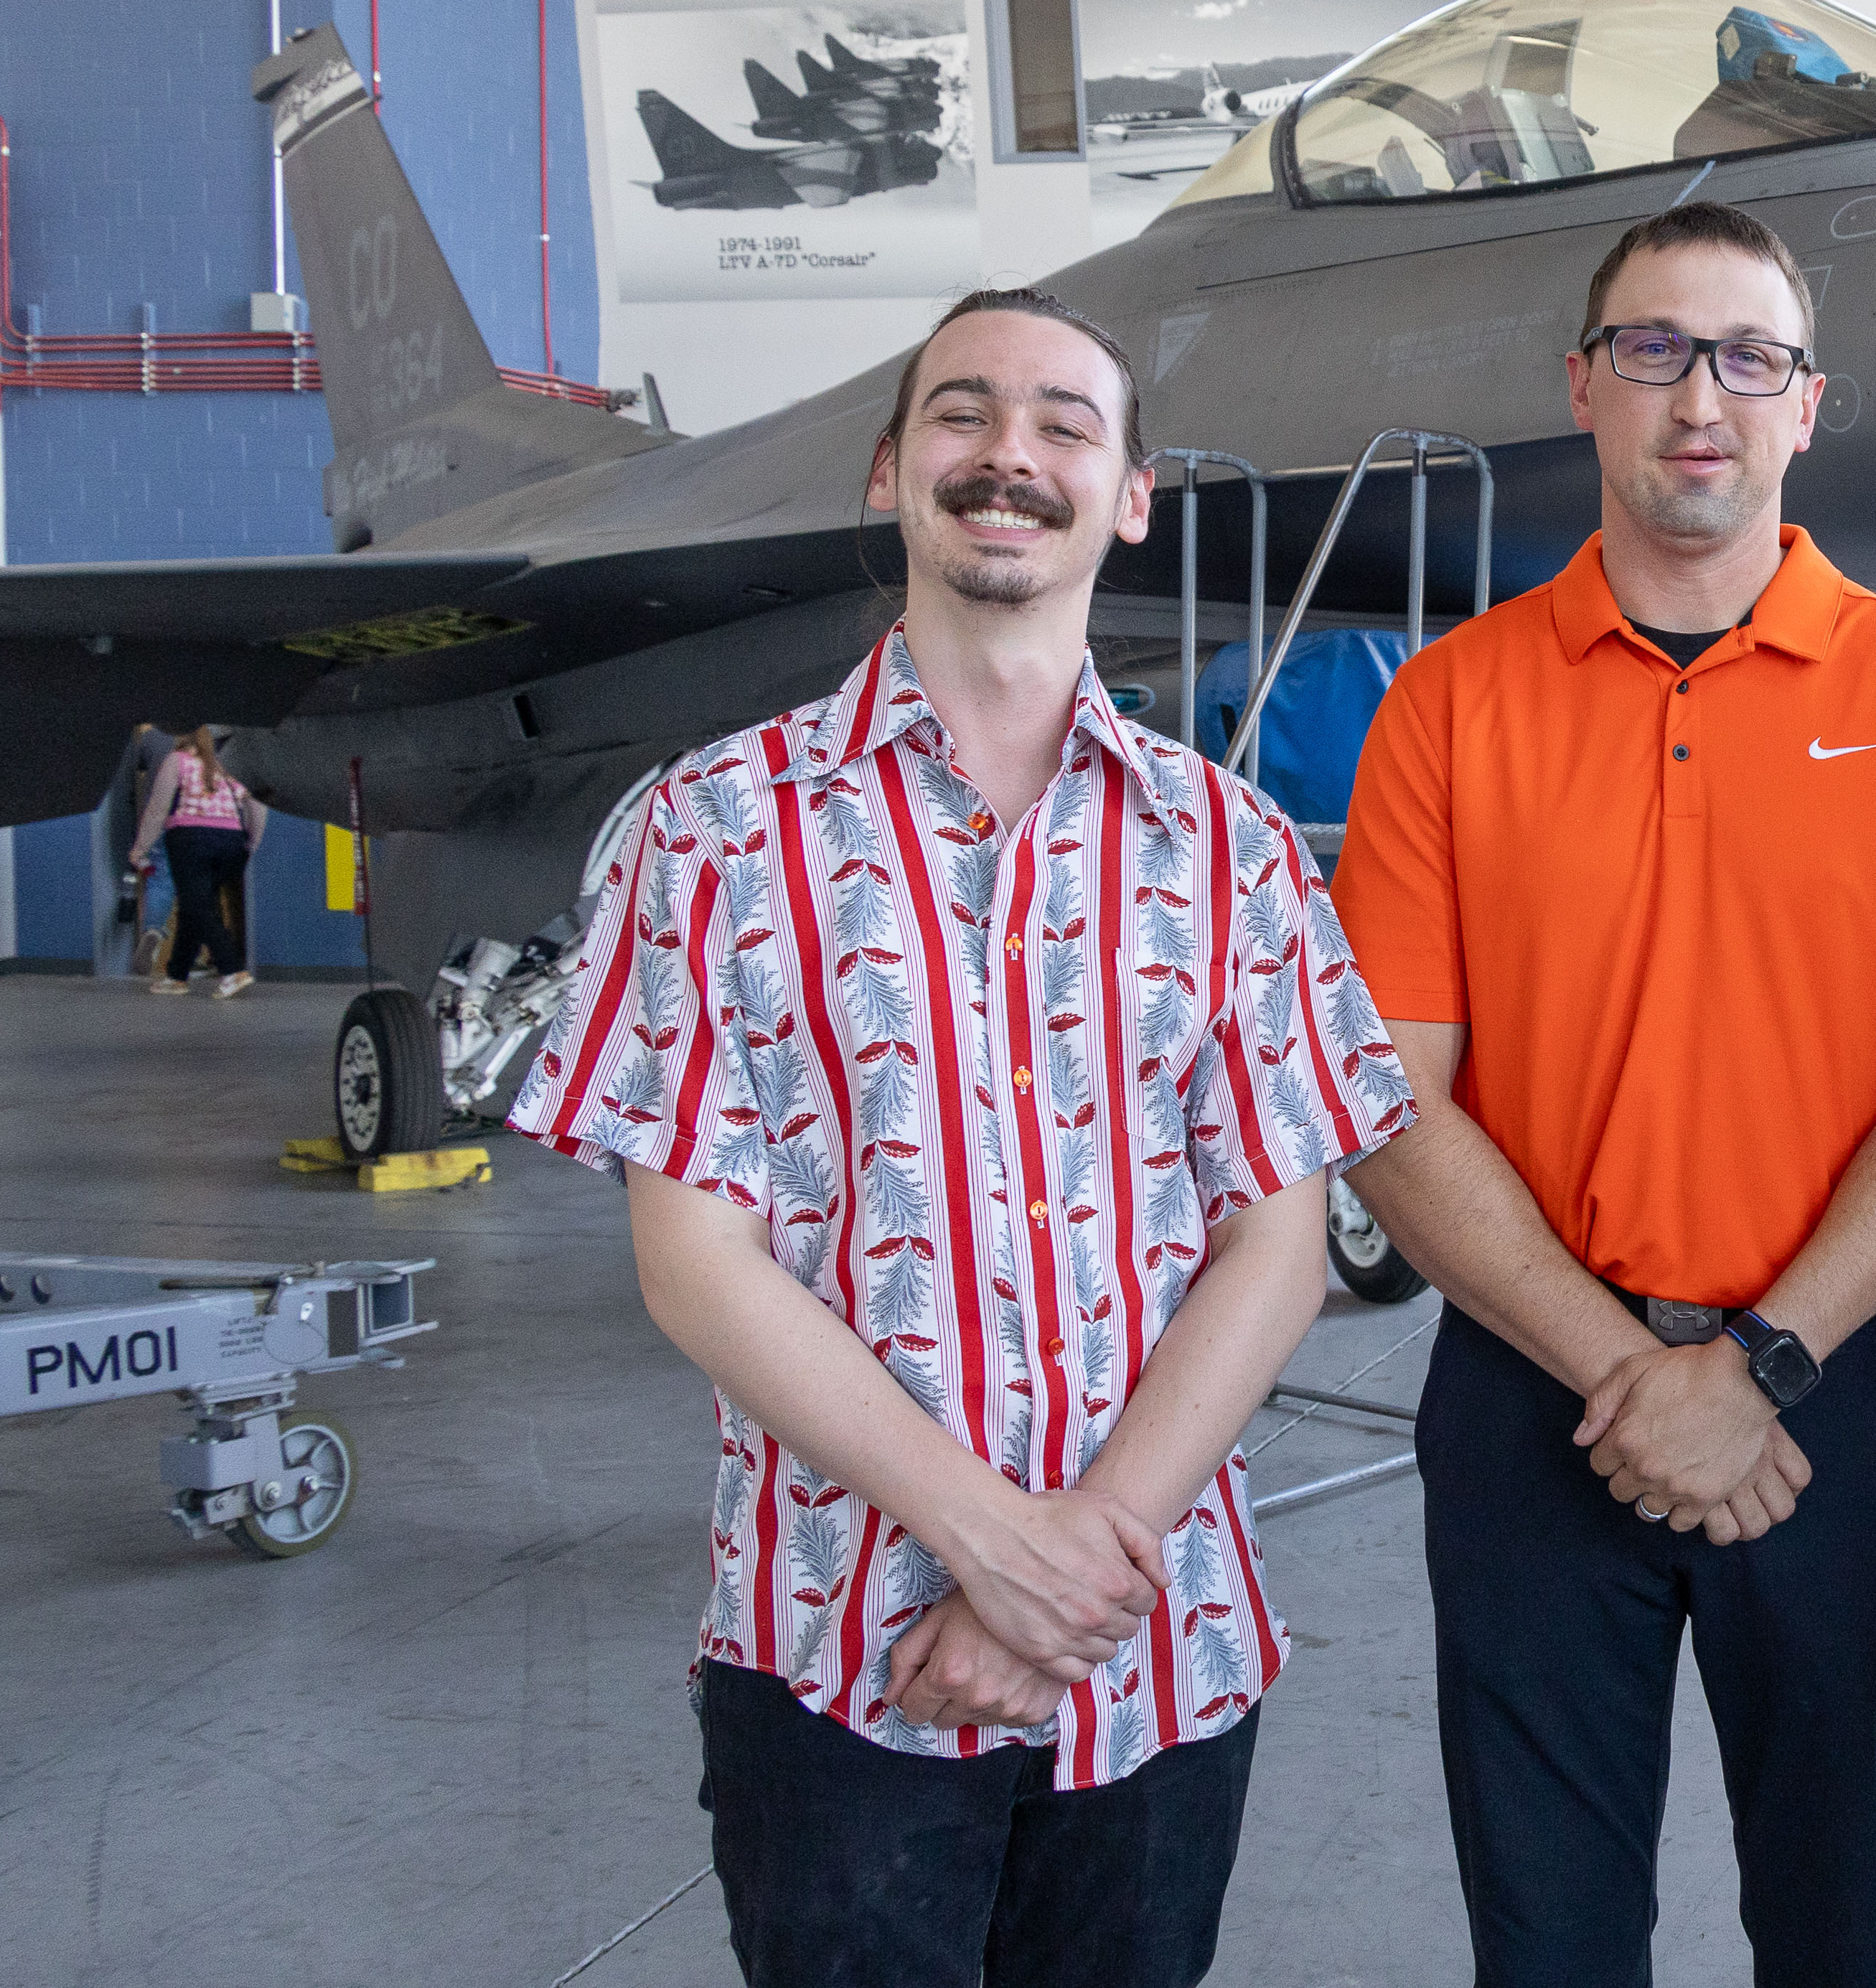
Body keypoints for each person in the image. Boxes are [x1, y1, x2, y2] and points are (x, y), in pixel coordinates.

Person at [512, 287, 1409, 1987]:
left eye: (1066, 423)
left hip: (1157, 1652)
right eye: (964, 413)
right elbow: (694, 1257)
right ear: (890, 469)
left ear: (1134, 493)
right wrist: (995, 1549)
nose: (1012, 453)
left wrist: (1067, 1576)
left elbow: (1276, 1239)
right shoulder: (709, 833)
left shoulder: (1231, 849)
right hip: (843, 1648)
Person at [1331, 201, 1876, 1987]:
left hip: (1831, 1402)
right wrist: (1639, 1381)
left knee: (1836, 1942)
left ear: (1806, 403)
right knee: (1549, 1949)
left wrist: (1757, 1372)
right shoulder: (1445, 707)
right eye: (1653, 348)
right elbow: (1386, 1103)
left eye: (1746, 356)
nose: (1698, 395)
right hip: (1531, 1407)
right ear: (1583, 386)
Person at [128, 724, 266, 998]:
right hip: (231, 843)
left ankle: (232, 970)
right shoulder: (225, 767)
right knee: (196, 907)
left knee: (198, 907)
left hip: (191, 840)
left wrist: (140, 849)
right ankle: (177, 975)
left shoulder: (177, 761)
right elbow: (256, 804)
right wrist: (252, 841)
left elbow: (157, 808)